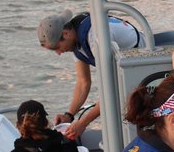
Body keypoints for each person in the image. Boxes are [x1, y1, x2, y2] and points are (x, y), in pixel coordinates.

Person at [38, 9, 148, 141]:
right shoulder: (74, 40)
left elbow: (112, 90)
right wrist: (69, 115)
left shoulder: (95, 39)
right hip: (124, 67)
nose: (58, 53)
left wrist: (83, 123)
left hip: (141, 61)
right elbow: (83, 82)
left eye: (56, 47)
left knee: (124, 114)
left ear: (65, 33)